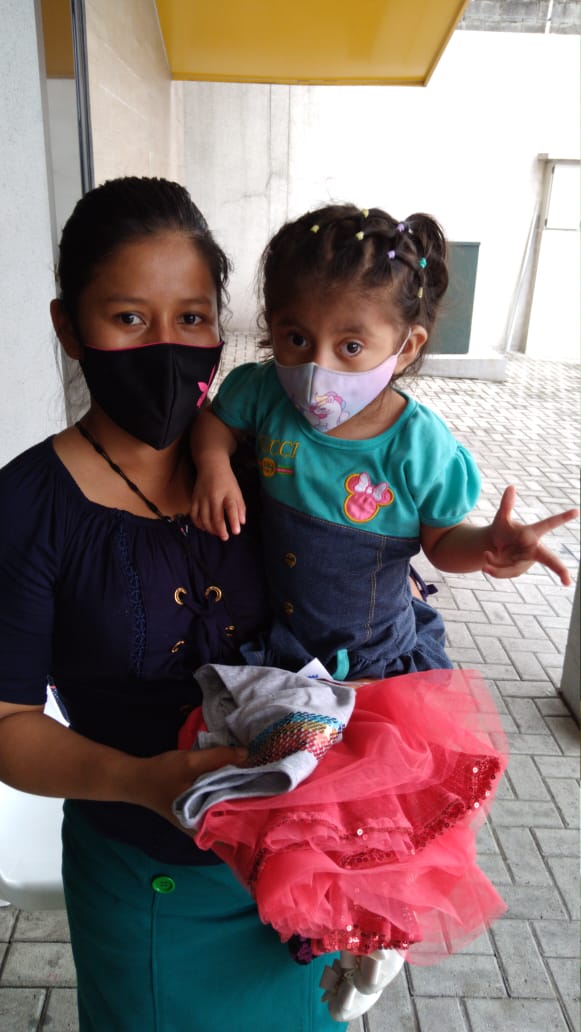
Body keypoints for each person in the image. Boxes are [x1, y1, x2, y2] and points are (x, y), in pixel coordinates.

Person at [0, 178, 350, 1032]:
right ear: (67, 328)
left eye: (191, 318)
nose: (165, 346)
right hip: (147, 878)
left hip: (304, 865)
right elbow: (7, 724)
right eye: (128, 317)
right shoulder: (27, 508)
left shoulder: (274, 468)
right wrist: (141, 783)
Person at [190, 203, 578, 683]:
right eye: (297, 338)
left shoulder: (421, 447)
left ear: (406, 348)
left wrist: (487, 546)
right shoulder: (264, 391)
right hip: (279, 647)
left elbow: (443, 544)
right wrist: (214, 465)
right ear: (272, 323)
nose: (318, 366)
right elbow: (217, 423)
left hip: (376, 660)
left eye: (351, 347)